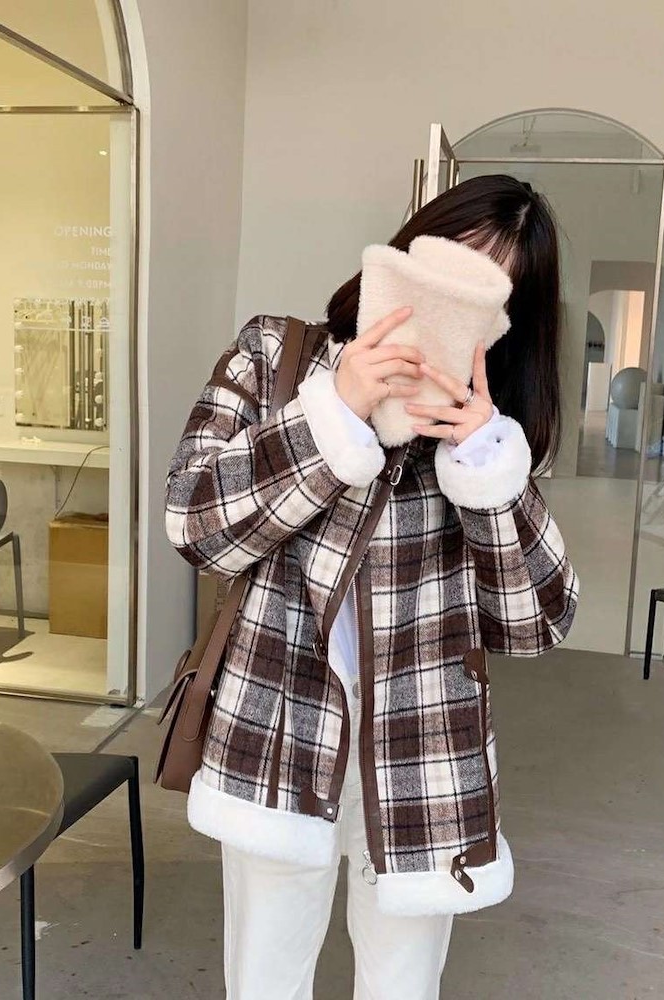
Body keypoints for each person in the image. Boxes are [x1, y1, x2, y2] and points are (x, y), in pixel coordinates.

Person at [164, 174, 580, 1000]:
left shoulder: (487, 435)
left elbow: (538, 621)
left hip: (425, 756)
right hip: (278, 731)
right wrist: (338, 412)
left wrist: (485, 463)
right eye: (444, 272)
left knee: (401, 987)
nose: (447, 310)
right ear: (401, 260)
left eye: (484, 298)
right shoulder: (276, 359)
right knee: (265, 981)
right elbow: (195, 524)